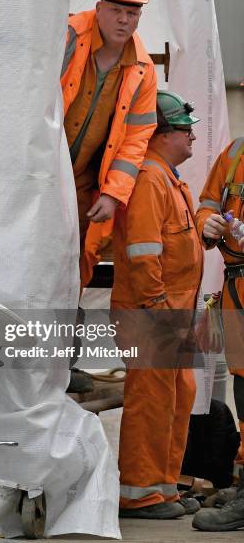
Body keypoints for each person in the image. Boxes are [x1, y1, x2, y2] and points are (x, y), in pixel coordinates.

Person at [61, 0, 157, 393]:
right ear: (98, 4)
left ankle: (59, 369)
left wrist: (114, 194)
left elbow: (137, 139)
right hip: (38, 172)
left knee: (75, 267)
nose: (124, 19)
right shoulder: (65, 37)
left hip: (84, 182)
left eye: (133, 12)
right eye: (117, 8)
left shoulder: (142, 67)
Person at [111, 90, 203, 518]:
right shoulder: (150, 179)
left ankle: (162, 488)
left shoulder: (168, 179)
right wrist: (157, 305)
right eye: (186, 132)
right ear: (163, 135)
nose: (192, 140)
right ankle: (138, 494)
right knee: (150, 402)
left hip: (172, 314)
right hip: (153, 314)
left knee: (175, 398)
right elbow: (143, 251)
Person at [193, 136, 244, 531]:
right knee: (243, 388)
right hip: (237, 288)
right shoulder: (236, 152)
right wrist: (206, 223)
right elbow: (211, 201)